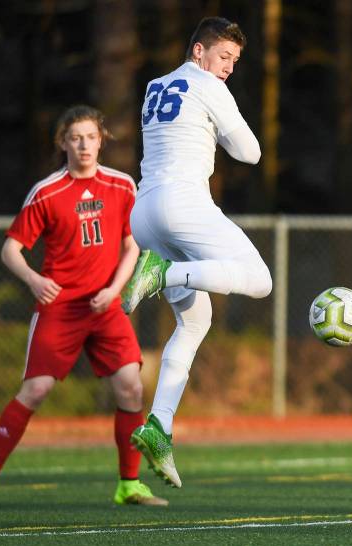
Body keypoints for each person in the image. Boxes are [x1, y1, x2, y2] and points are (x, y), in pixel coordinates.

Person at [0, 106, 166, 509]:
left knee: (131, 386)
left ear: (102, 139)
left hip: (106, 307)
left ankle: (129, 486)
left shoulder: (122, 185)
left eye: (91, 136)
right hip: (60, 309)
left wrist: (115, 290)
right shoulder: (47, 191)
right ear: (63, 143)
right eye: (75, 137)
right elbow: (10, 250)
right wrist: (34, 279)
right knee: (35, 390)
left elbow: (132, 244)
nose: (84, 145)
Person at [121, 16, 271, 489]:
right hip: (181, 204)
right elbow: (250, 153)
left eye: (234, 61)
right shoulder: (207, 83)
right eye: (224, 57)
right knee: (260, 279)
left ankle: (159, 425)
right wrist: (224, 122)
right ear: (198, 52)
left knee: (195, 321)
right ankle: (162, 273)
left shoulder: (154, 84)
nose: (228, 68)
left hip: (144, 212)